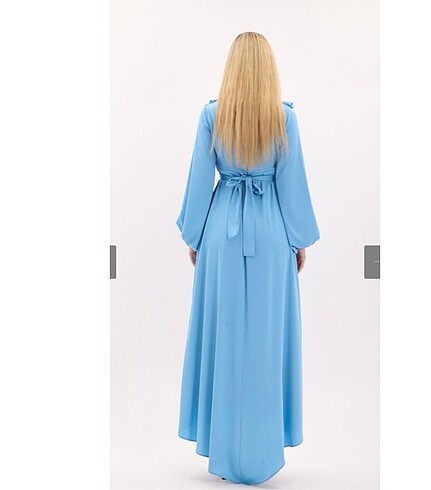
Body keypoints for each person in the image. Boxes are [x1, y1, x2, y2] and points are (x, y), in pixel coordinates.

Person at [176, 31, 320, 485]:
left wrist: (195, 235)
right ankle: (261, 451)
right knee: (266, 339)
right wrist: (299, 241)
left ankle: (223, 448)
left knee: (224, 336)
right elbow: (292, 183)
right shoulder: (284, 118)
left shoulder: (212, 115)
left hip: (221, 232)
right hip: (271, 232)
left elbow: (200, 181)